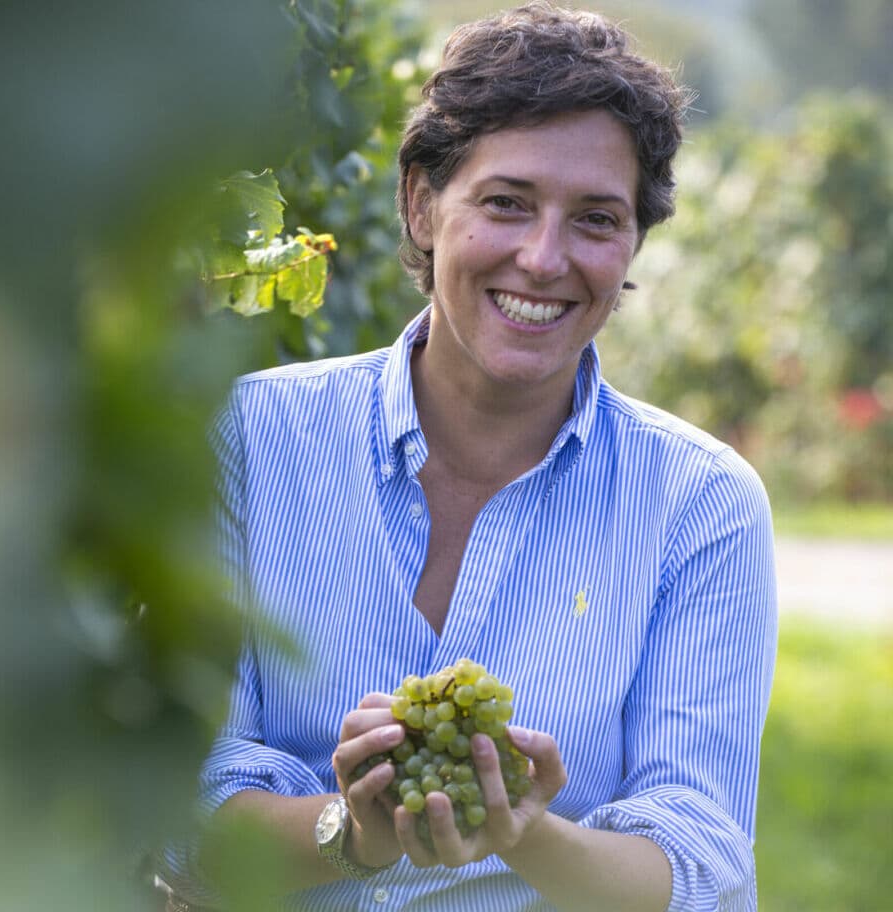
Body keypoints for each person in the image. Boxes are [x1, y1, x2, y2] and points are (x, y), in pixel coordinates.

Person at [162, 2, 778, 909]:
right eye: (506, 203)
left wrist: (524, 833)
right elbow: (174, 797)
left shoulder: (701, 505)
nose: (542, 257)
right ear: (421, 203)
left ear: (633, 244)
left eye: (597, 219)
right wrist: (355, 830)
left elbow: (698, 868)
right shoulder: (247, 440)